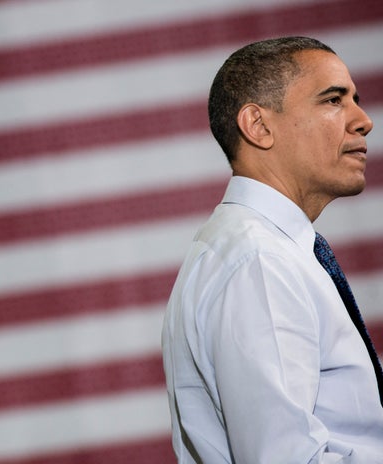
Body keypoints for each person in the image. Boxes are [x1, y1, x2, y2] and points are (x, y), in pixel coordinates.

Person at [161, 36, 383, 463]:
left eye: (356, 99)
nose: (363, 120)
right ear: (259, 127)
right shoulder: (260, 264)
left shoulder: (265, 251)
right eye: (333, 100)